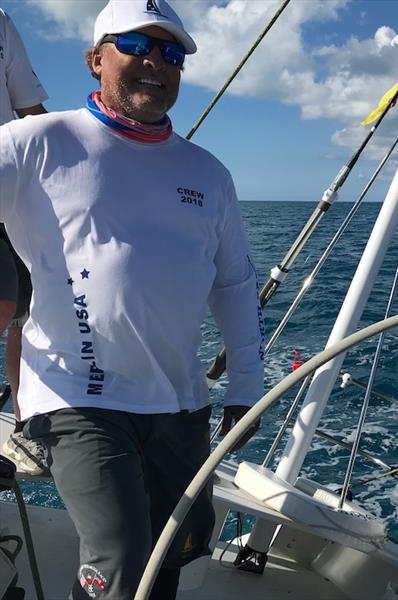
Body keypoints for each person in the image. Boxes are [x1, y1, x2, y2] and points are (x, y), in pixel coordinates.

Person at [0, 0, 266, 598]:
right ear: (96, 59)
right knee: (121, 559)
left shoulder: (208, 174)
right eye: (136, 46)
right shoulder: (34, 143)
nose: (156, 63)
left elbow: (234, 283)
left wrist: (247, 384)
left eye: (171, 53)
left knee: (171, 554)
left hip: (178, 400)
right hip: (74, 393)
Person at [0, 6, 49, 475]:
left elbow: (29, 108)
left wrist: (72, 160)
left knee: (26, 315)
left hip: (10, 187)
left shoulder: (0, 21)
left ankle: (25, 426)